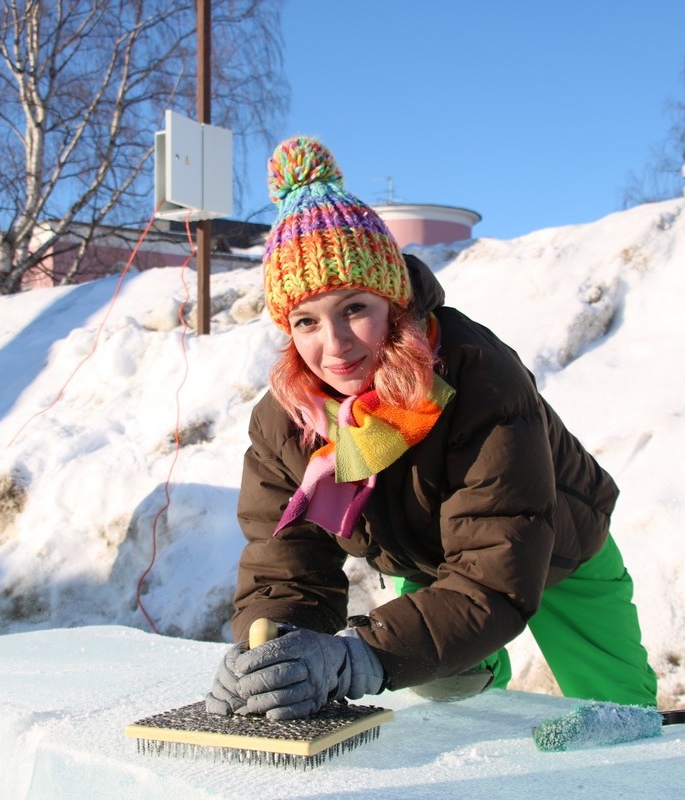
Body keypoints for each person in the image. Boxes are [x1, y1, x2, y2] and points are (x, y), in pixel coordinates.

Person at [205, 137, 657, 722]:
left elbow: (498, 561)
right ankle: (482, 657)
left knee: (622, 716)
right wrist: (268, 652)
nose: (334, 346)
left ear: (392, 301)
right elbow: (284, 556)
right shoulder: (288, 420)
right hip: (432, 563)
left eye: (355, 309)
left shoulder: (474, 375)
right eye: (306, 321)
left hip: (561, 545)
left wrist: (357, 660)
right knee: (444, 681)